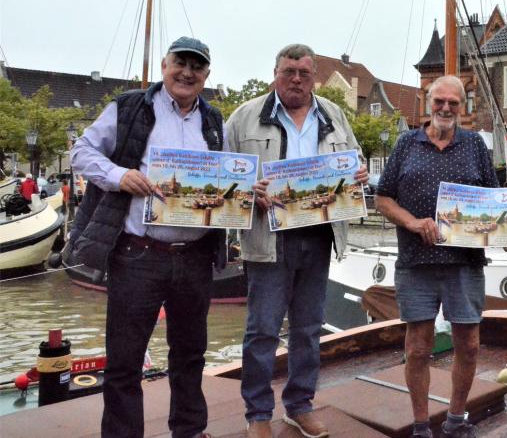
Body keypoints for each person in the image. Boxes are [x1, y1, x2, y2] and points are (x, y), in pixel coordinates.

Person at [69, 36, 223, 438]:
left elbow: (228, 177)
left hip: (195, 255)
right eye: (181, 63)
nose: (187, 72)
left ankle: (189, 430)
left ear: (206, 75)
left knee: (190, 353)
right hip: (138, 252)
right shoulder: (128, 107)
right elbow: (81, 152)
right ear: (164, 65)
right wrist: (119, 176)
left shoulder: (214, 119)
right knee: (125, 360)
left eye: (197, 66)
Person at [226, 44, 368, 438]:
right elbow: (223, 176)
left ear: (314, 77)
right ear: (275, 72)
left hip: (319, 236)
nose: (296, 79)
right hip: (268, 238)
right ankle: (257, 413)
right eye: (289, 71)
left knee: (308, 328)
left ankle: (299, 405)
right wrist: (246, 192)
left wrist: (357, 177)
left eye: (304, 73)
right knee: (263, 329)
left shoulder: (334, 114)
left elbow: (354, 160)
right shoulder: (244, 117)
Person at [375, 75, 507, 438]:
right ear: (428, 102)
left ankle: (457, 419)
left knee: (469, 347)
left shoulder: (474, 145)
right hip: (416, 263)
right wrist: (411, 222)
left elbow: (495, 200)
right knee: (418, 348)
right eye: (439, 101)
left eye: (453, 103)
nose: (445, 108)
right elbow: (382, 197)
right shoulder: (406, 143)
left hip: (464, 263)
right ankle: (422, 426)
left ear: (462, 106)